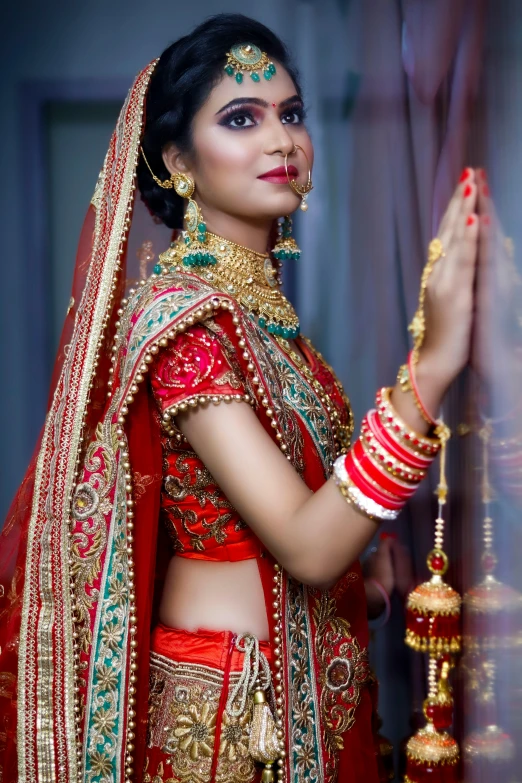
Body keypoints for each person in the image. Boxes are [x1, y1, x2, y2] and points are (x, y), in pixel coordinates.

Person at [0, 13, 478, 783]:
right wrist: (434, 366)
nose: (280, 138)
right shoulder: (181, 321)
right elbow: (307, 543)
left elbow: (319, 532)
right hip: (228, 729)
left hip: (301, 702)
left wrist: (375, 576)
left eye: (291, 113)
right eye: (240, 119)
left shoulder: (270, 327)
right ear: (177, 160)